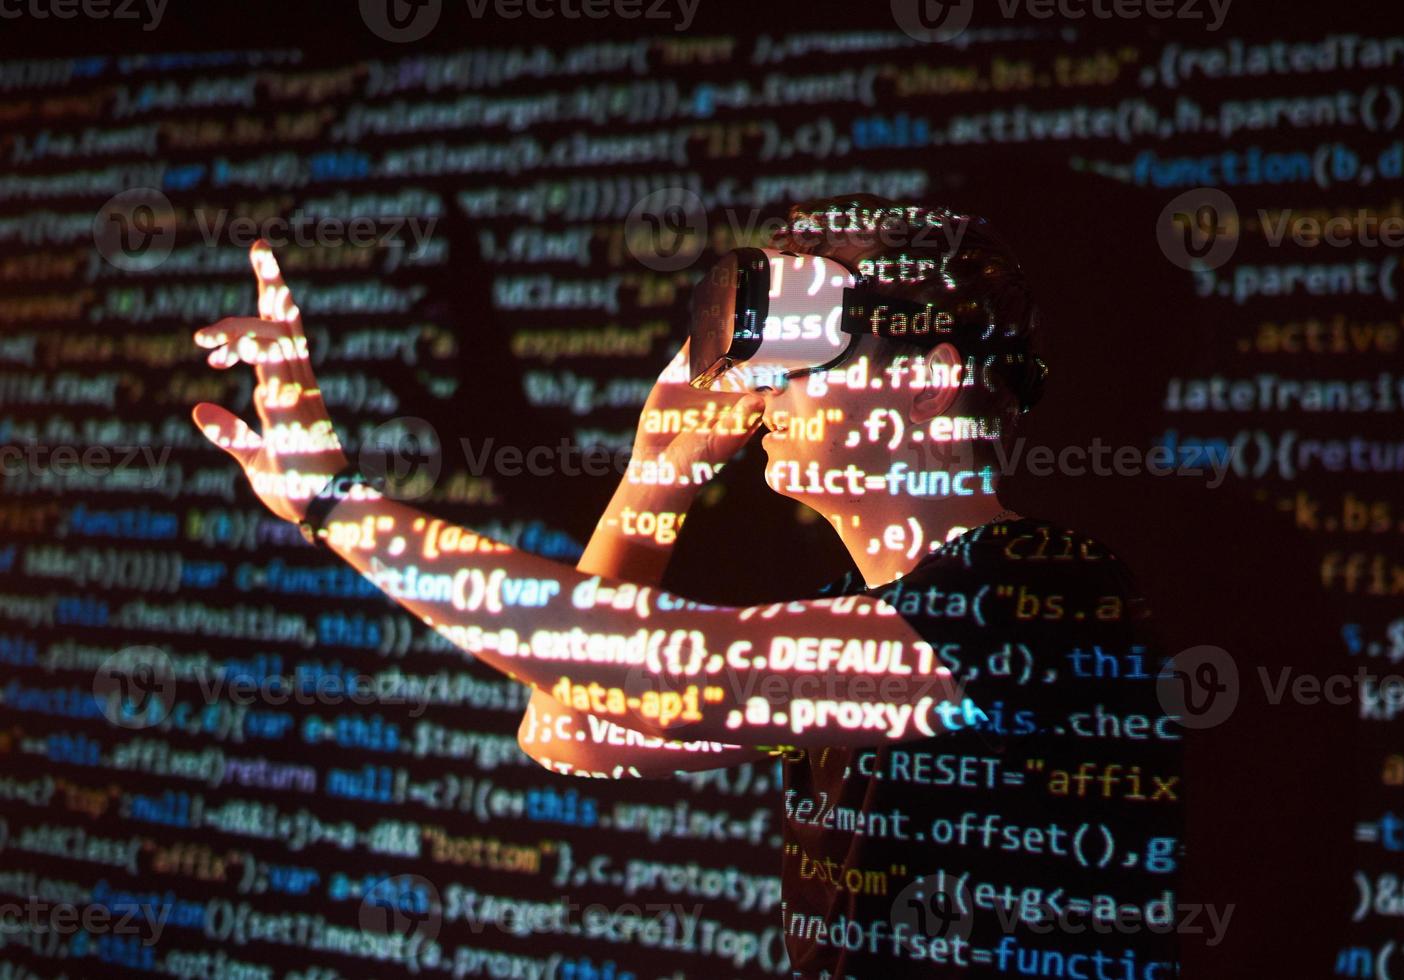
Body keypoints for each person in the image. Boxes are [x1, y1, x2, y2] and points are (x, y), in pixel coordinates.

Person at [192, 195, 1182, 977]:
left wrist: (334, 500)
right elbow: (566, 723)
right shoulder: (874, 602)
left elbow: (662, 665)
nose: (760, 386)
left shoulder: (1041, 590)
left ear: (923, 379)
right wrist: (654, 478)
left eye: (804, 357)